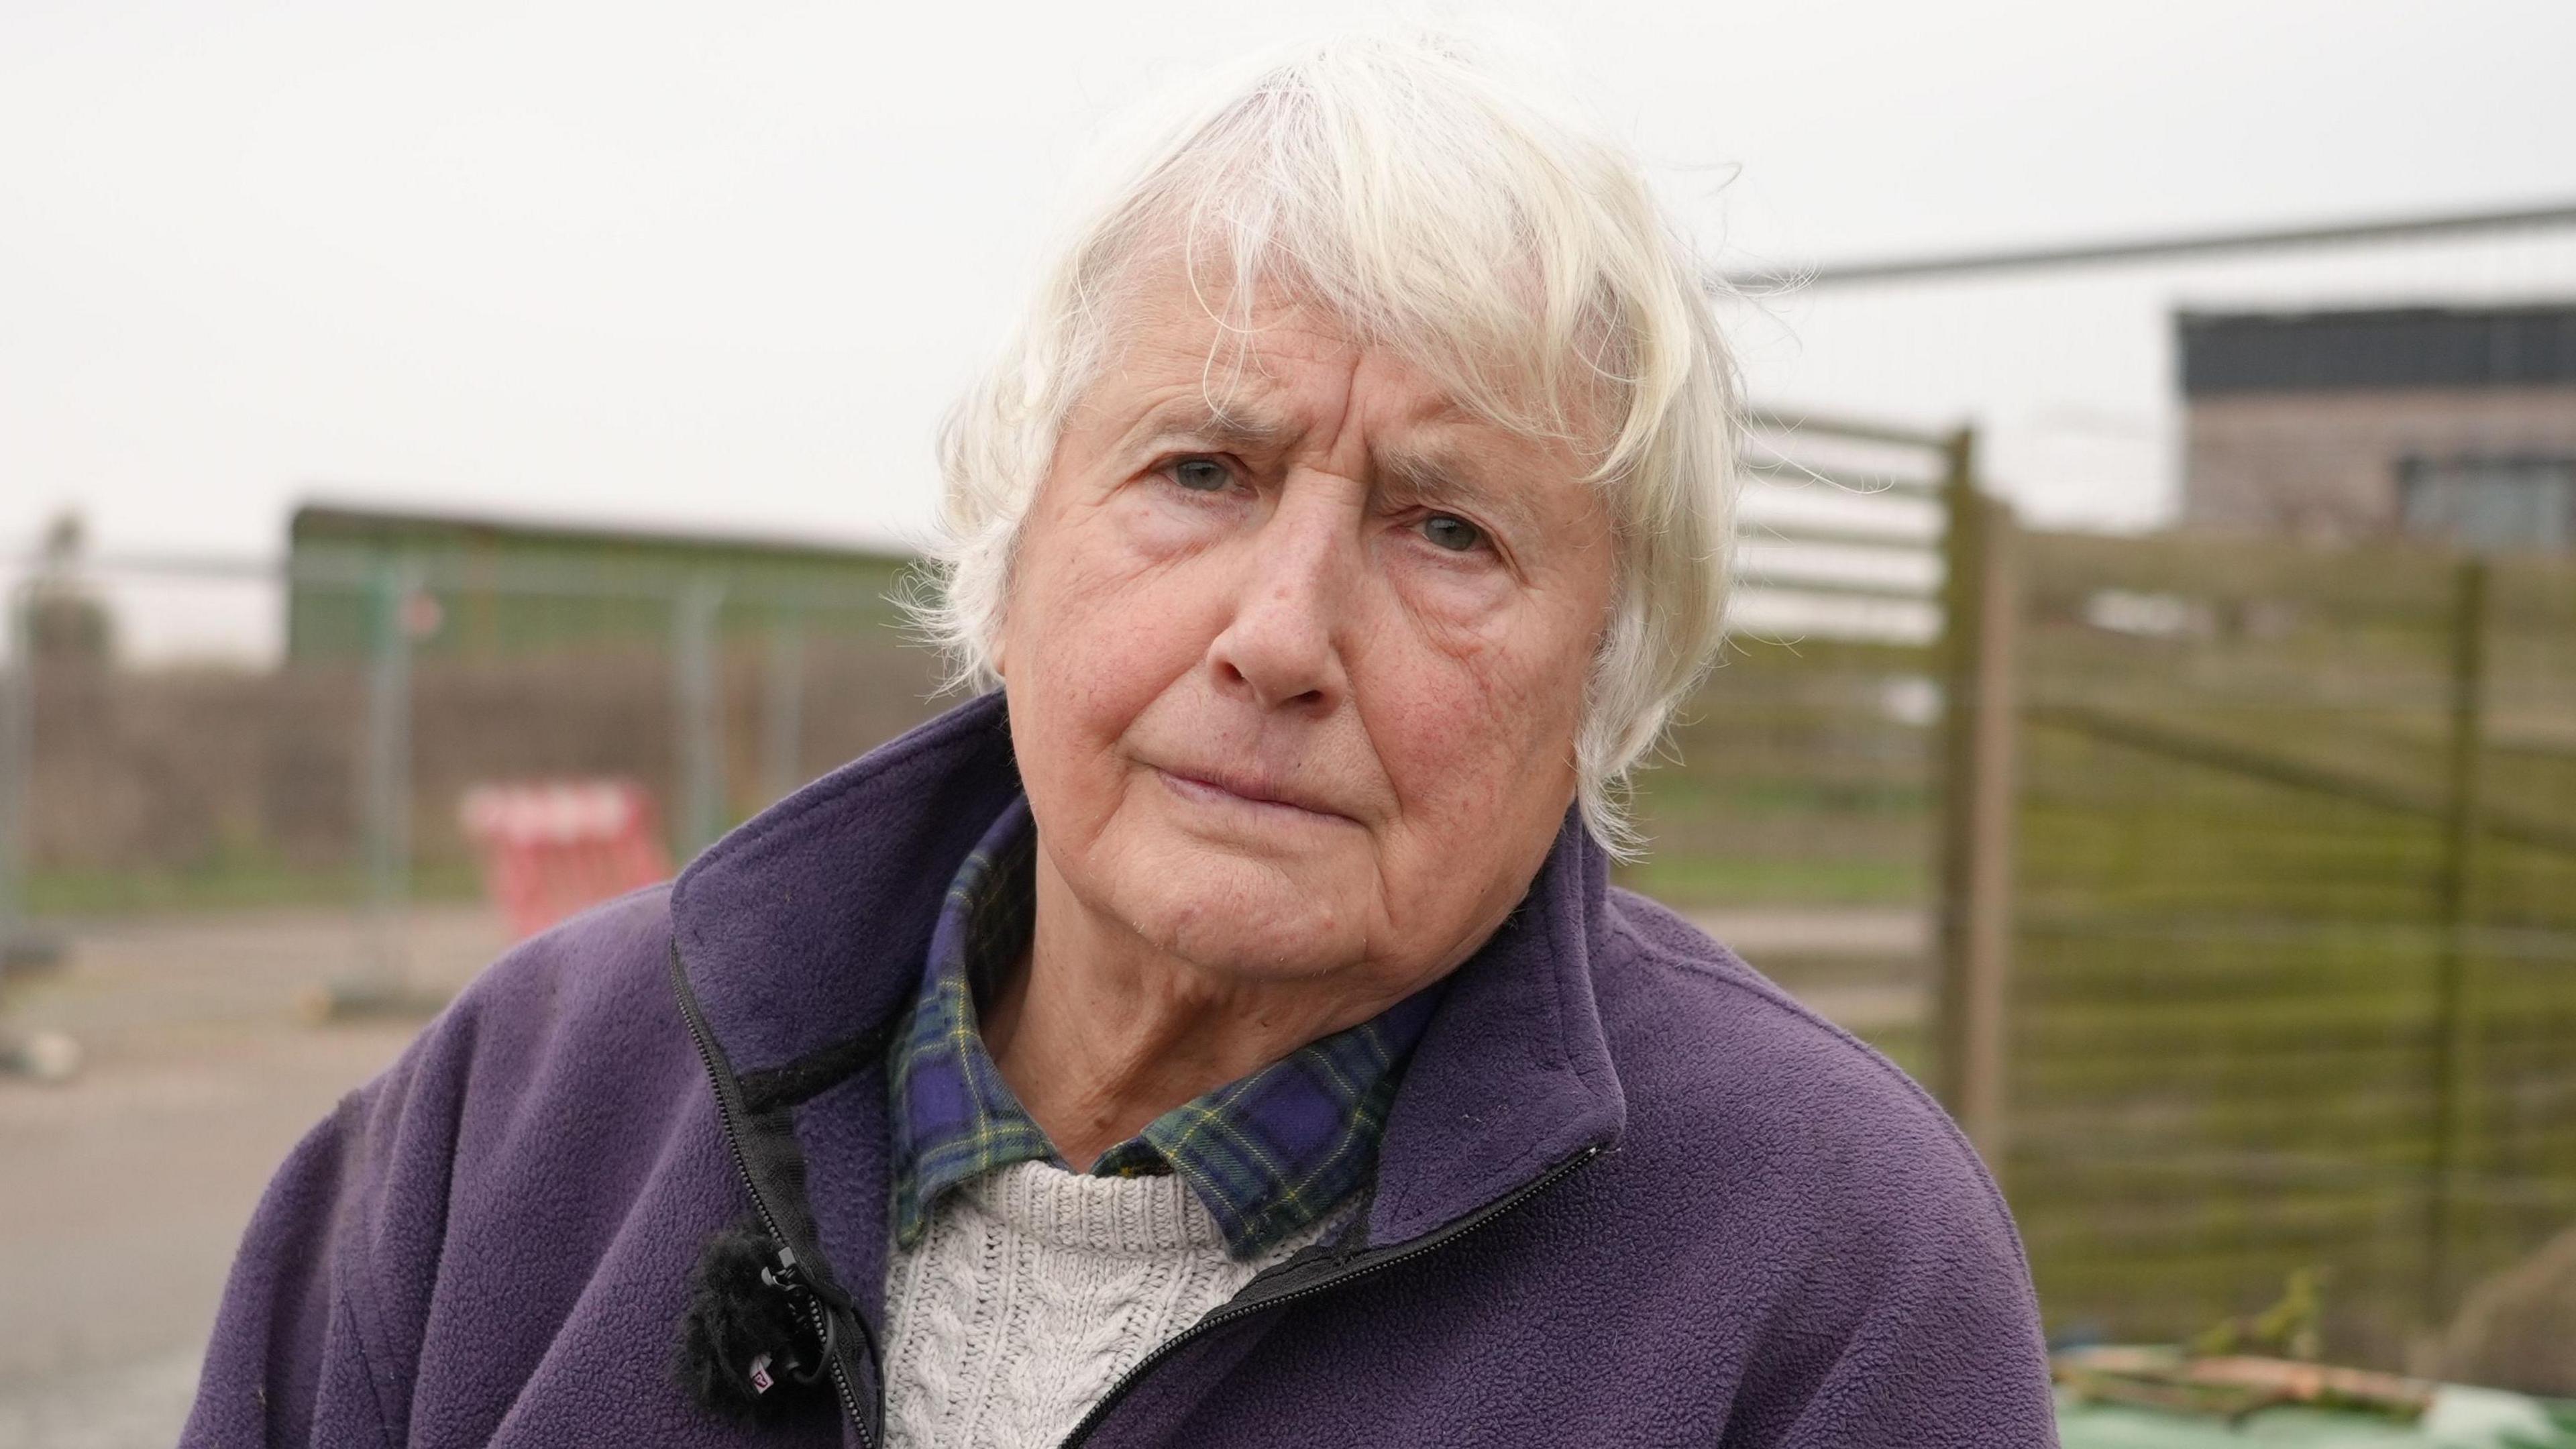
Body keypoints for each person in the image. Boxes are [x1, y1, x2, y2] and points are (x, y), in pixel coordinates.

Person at [182, 28, 2055, 1448]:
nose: (1279, 637)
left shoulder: (1831, 1280)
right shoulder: (520, 1108)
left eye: (1450, 529)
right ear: (1013, 547)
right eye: (1201, 472)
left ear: (1608, 677)